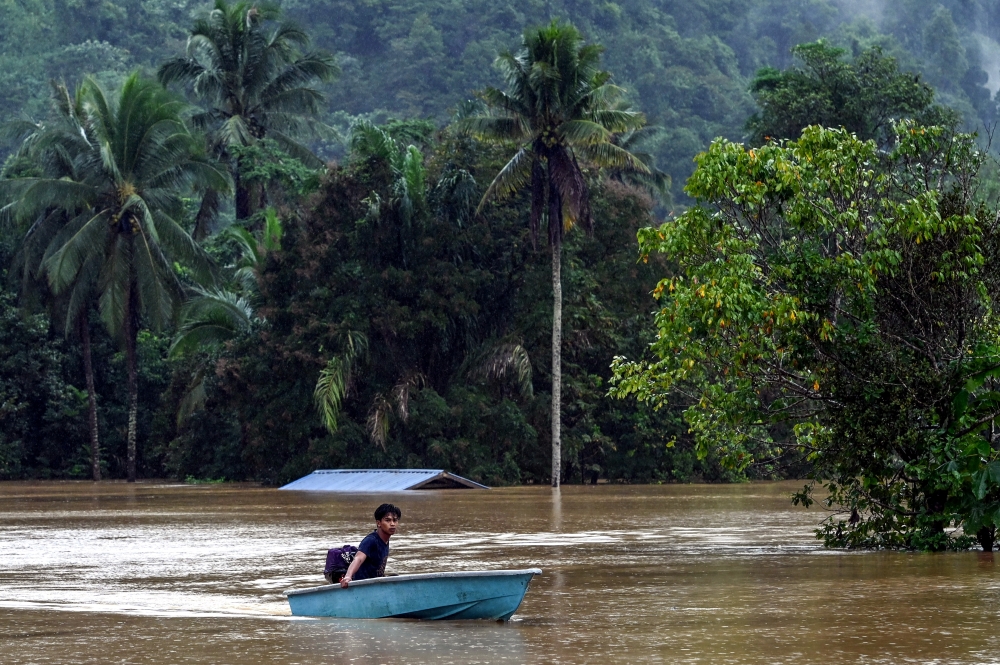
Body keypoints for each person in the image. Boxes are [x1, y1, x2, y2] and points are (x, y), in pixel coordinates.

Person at [340, 503, 401, 587]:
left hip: (375, 584)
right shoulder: (371, 540)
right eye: (388, 520)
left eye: (395, 520)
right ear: (378, 523)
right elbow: (358, 558)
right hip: (363, 586)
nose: (392, 524)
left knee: (396, 577)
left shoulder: (385, 540)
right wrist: (348, 576)